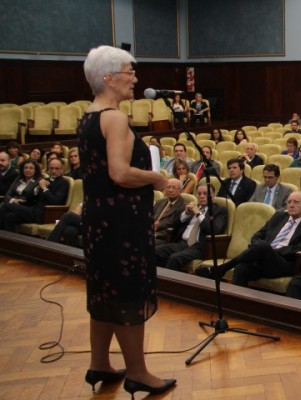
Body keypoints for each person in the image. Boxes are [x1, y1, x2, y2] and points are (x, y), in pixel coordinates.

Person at [77, 45, 174, 397]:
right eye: (128, 71)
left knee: (104, 289)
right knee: (129, 292)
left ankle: (99, 363)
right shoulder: (115, 118)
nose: (134, 77)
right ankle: (138, 372)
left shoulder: (89, 114)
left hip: (98, 216)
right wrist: (157, 179)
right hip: (121, 220)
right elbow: (119, 173)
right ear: (108, 77)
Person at [198, 192, 301, 285]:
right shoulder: (279, 216)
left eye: (296, 202)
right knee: (241, 268)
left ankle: (223, 268)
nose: (291, 205)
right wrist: (260, 249)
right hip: (263, 257)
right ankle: (236, 306)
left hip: (284, 263)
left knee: (263, 246)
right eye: (289, 202)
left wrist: (269, 251)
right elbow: (258, 235)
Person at [155, 183, 227, 271]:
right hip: (182, 244)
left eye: (205, 193)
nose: (202, 196)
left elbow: (214, 230)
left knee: (174, 258)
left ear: (213, 195)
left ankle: (170, 284)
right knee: (156, 251)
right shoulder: (191, 208)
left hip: (200, 247)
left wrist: (198, 214)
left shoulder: (219, 211)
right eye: (199, 194)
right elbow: (174, 226)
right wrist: (185, 214)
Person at [0, 158, 69, 232]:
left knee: (5, 205)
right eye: (51, 168)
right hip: (33, 210)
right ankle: (8, 242)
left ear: (62, 170)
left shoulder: (64, 182)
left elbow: (56, 201)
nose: (53, 171)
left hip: (44, 214)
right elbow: (28, 198)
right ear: (48, 169)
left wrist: (44, 188)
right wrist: (36, 189)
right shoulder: (45, 180)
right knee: (10, 216)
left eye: (57, 169)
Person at [0, 159, 43, 231]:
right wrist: (13, 200)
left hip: (29, 209)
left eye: (31, 168)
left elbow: (29, 197)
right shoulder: (19, 179)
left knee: (4, 206)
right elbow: (7, 194)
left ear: (36, 170)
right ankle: (7, 240)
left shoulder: (39, 180)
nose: (28, 170)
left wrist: (16, 201)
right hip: (15, 208)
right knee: (9, 216)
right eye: (25, 168)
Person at [152, 178, 186, 245]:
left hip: (163, 237)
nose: (170, 190)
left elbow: (174, 228)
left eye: (174, 188)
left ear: (181, 190)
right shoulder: (159, 202)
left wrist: (156, 235)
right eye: (168, 187)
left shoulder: (183, 206)